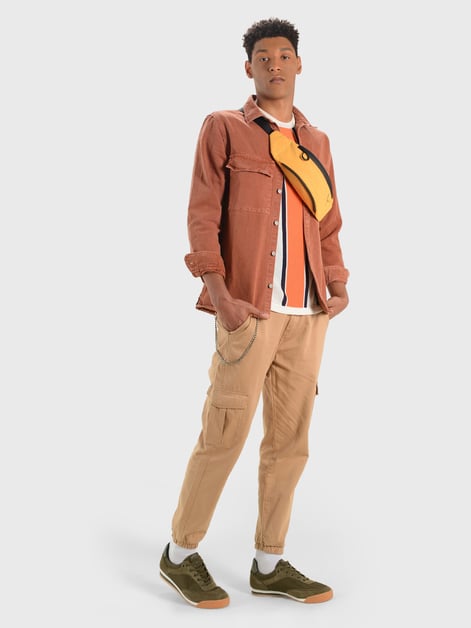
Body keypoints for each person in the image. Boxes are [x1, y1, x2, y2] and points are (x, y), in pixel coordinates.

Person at [159, 17, 349, 609]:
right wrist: (220, 296)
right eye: (263, 57)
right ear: (248, 68)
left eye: (284, 55)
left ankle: (269, 564)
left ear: (299, 64)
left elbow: (328, 224)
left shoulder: (317, 143)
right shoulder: (225, 128)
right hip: (249, 312)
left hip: (308, 313)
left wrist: (337, 283)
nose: (274, 64)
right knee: (225, 433)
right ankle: (180, 554)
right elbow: (202, 214)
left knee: (290, 443)